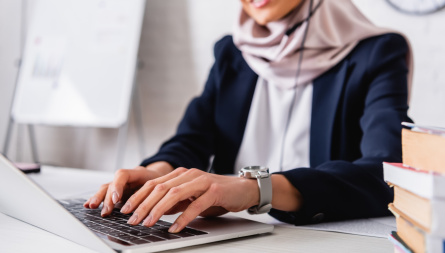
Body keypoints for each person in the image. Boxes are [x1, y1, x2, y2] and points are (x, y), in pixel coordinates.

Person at [84, 0, 413, 234]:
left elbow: (387, 172)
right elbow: (191, 139)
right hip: (229, 235)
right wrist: (155, 175)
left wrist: (254, 189)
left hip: (316, 238)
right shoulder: (232, 52)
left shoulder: (377, 51)